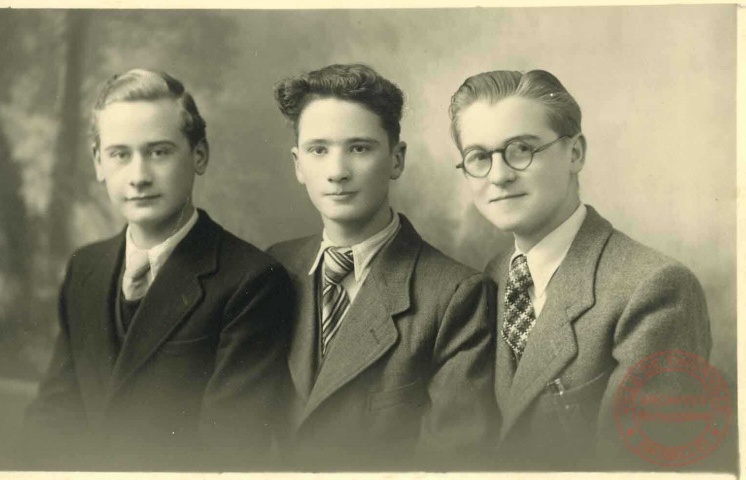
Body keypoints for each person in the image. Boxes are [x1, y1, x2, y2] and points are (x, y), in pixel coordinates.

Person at [24, 69, 291, 471]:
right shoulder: (86, 267)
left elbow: (229, 453)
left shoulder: (250, 280)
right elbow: (54, 416)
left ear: (199, 155)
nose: (138, 177)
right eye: (120, 154)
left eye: (159, 152)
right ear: (99, 162)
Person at [448, 69, 712, 469]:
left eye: (521, 149)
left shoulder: (654, 288)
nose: (499, 176)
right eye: (479, 157)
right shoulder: (495, 274)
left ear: (575, 153)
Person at [269, 63, 497, 470]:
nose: (337, 172)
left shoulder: (455, 296)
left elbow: (452, 461)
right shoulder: (274, 267)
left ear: (396, 159)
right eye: (318, 150)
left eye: (359, 148)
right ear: (298, 164)